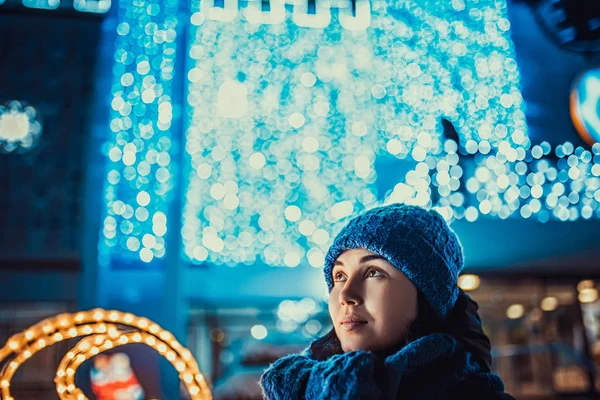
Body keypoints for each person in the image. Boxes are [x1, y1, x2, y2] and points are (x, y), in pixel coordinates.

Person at [259, 204, 516, 399]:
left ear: (425, 295)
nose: (346, 296)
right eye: (340, 276)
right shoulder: (300, 387)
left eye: (374, 273)